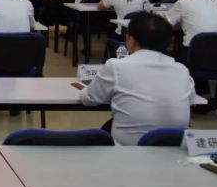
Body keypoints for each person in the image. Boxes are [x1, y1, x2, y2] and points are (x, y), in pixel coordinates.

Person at [78, 12, 197, 146]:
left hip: (127, 151)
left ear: (131, 40)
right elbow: (192, 101)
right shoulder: (182, 70)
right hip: (174, 148)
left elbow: (89, 99)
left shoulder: (116, 66)